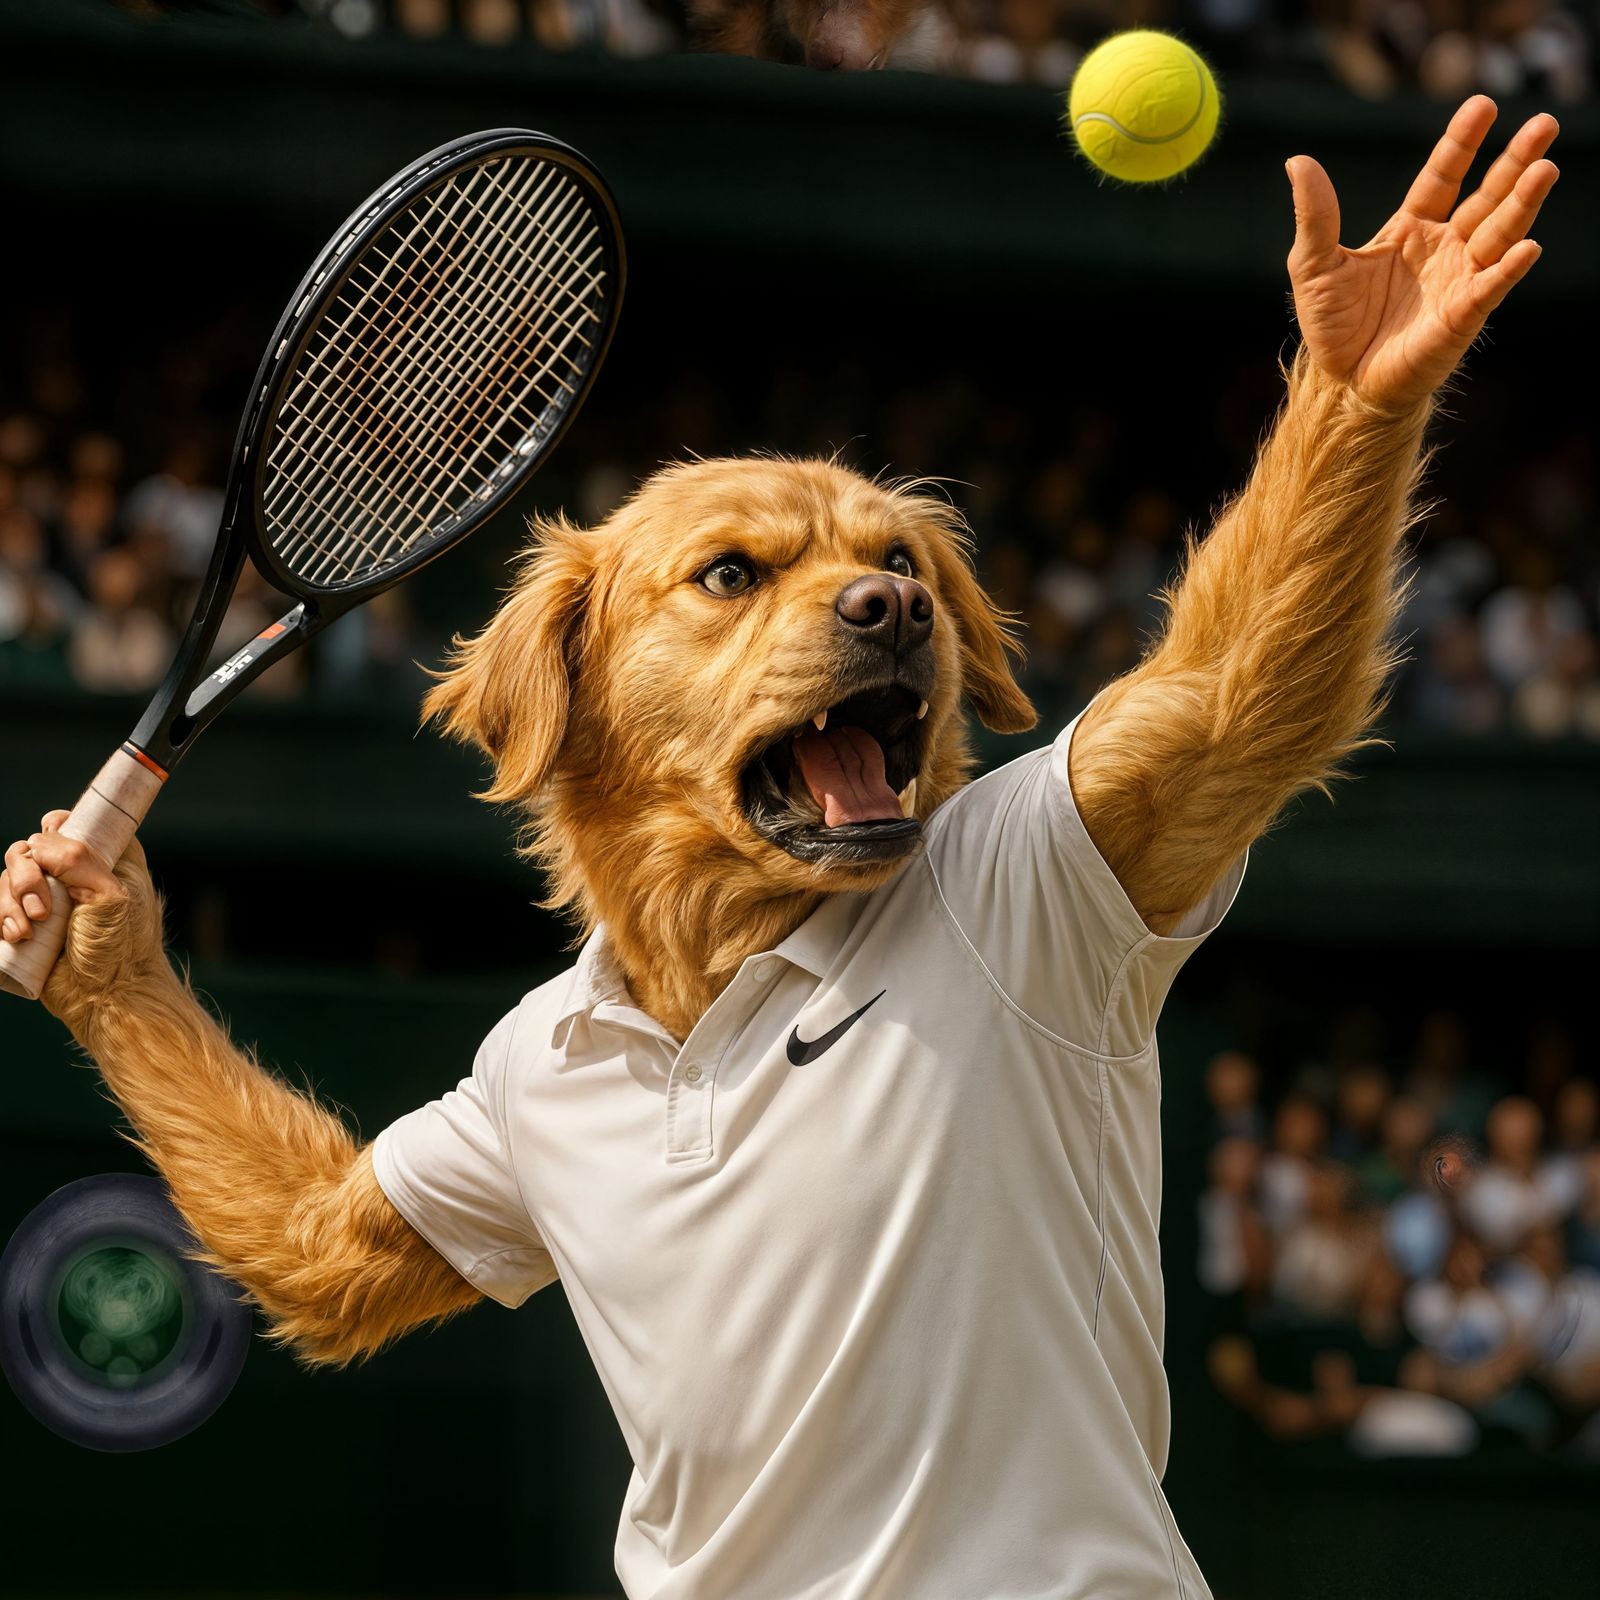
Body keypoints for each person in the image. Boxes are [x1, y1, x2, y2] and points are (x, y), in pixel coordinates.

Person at [2, 99, 1560, 1598]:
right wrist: (119, 991)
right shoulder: (549, 1064)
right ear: (570, 687)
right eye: (735, 573)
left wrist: (1353, 414)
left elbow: (1232, 700)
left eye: (899, 569)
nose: (873, 597)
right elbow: (322, 1259)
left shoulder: (1018, 889)